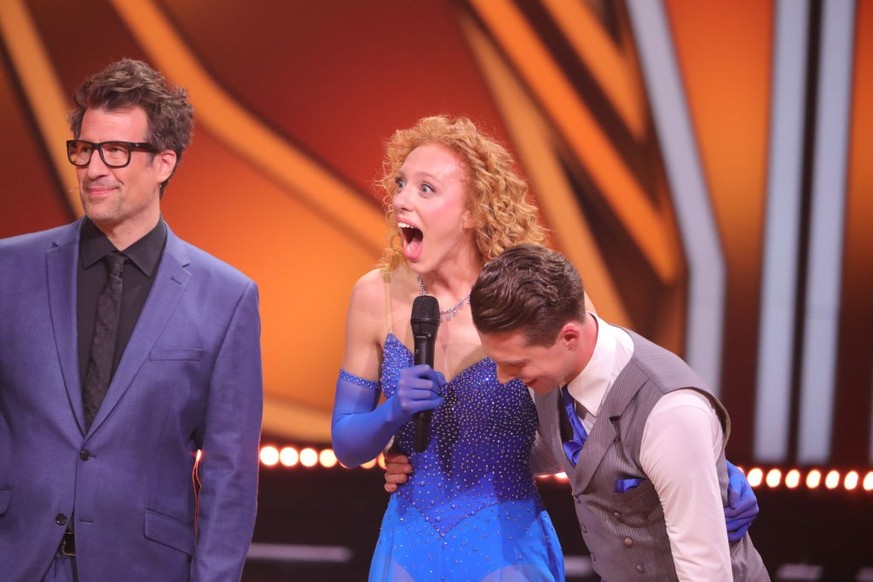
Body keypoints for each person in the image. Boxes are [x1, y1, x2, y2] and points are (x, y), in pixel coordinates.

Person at [0, 59, 263, 581]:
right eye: (85, 149)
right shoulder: (10, 270)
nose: (94, 168)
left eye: (116, 152)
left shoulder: (226, 297)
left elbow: (230, 474)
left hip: (143, 567)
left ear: (163, 163)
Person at [331, 115, 566, 580]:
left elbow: (597, 402)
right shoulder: (374, 294)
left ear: (472, 212)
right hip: (408, 546)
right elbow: (347, 443)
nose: (400, 200)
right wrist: (391, 413)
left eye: (426, 189)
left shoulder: (530, 293)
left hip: (506, 547)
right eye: (401, 185)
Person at [469, 243, 769, 580]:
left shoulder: (670, 411)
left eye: (516, 363)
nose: (503, 377)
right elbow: (561, 454)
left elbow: (704, 569)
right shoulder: (552, 376)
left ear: (569, 336)